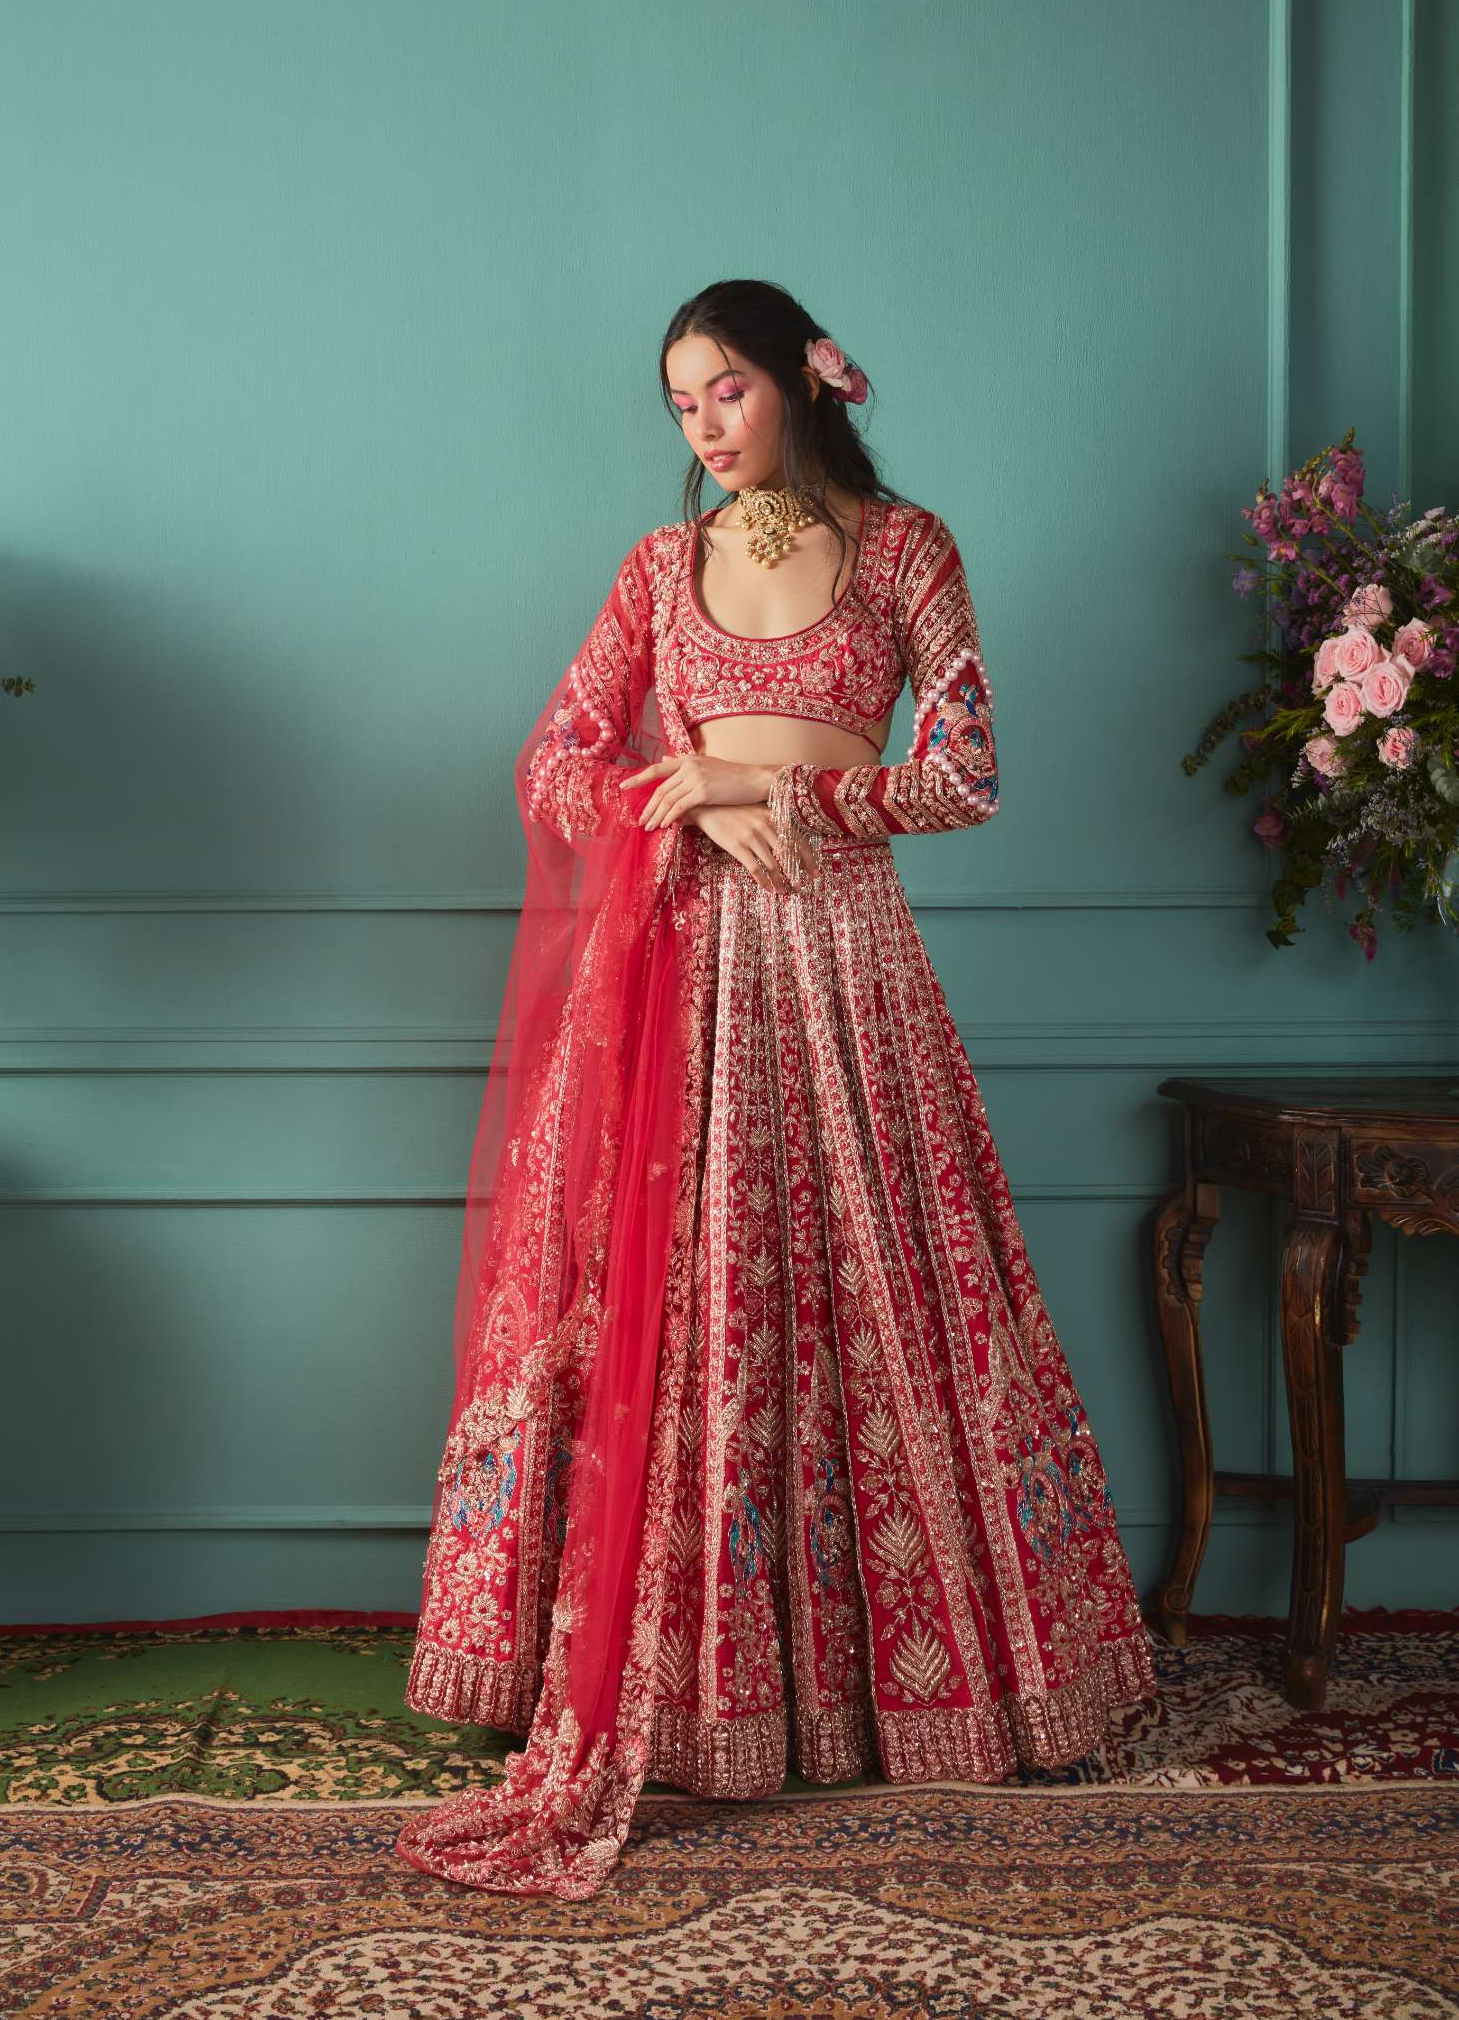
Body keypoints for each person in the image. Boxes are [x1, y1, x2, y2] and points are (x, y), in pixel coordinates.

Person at [395, 277, 1158, 1900]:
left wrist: (770, 783)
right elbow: (550, 760)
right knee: (684, 1307)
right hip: (681, 978)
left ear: (806, 379)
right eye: (681, 404)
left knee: (889, 1300)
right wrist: (677, 798)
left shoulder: (906, 550)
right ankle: (667, 1687)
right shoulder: (659, 567)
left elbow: (965, 773)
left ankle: (929, 1684)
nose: (704, 428)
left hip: (850, 973)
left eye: (726, 390)